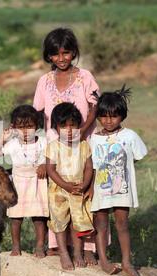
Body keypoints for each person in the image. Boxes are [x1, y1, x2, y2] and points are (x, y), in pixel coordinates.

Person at [33, 27, 102, 263]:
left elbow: (94, 107)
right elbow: (39, 114)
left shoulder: (85, 76)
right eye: (55, 54)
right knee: (59, 196)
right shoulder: (44, 81)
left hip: (83, 144)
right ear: (48, 56)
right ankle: (58, 246)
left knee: (85, 196)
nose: (61, 59)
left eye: (66, 53)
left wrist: (82, 130)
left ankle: (88, 249)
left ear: (73, 52)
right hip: (56, 148)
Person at [87, 85, 148, 276]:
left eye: (113, 116)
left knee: (122, 225)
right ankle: (103, 260)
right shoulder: (94, 140)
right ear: (98, 117)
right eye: (104, 116)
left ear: (122, 115)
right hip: (101, 188)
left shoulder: (129, 136)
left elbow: (136, 156)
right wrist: (90, 187)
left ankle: (126, 262)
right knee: (102, 224)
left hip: (123, 188)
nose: (108, 121)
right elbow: (93, 166)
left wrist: (121, 168)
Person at [0, 105, 48, 258]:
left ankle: (40, 247)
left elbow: (53, 157)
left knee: (39, 218)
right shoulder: (13, 144)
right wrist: (4, 137)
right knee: (16, 218)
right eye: (21, 127)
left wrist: (45, 165)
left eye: (30, 126)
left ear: (37, 126)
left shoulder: (43, 142)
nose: (26, 131)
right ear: (14, 128)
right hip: (18, 184)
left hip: (38, 182)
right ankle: (16, 247)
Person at [46, 102, 95, 270]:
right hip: (59, 191)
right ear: (55, 128)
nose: (69, 130)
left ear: (78, 126)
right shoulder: (53, 147)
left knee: (77, 222)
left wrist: (85, 184)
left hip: (78, 189)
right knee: (60, 222)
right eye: (63, 126)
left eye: (73, 125)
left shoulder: (83, 145)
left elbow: (89, 167)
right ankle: (64, 254)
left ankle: (78, 253)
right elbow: (51, 170)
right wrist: (65, 185)